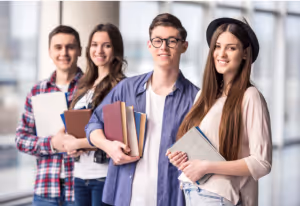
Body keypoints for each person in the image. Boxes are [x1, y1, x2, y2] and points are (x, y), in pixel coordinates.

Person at [84, 13, 199, 206]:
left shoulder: (196, 99)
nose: (163, 47)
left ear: (183, 46)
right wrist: (109, 147)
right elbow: (94, 123)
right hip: (124, 197)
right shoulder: (126, 88)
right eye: (157, 41)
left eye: (171, 41)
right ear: (149, 45)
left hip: (172, 198)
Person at [168, 17, 272, 206]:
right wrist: (184, 159)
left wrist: (206, 167)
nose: (221, 53)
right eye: (217, 46)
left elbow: (262, 163)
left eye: (231, 48)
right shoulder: (204, 95)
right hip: (192, 191)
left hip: (221, 196)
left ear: (244, 54)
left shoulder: (250, 96)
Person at [15, 25, 83, 206]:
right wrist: (52, 143)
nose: (64, 52)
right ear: (49, 52)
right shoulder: (37, 91)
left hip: (81, 189)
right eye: (58, 47)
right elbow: (21, 139)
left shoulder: (92, 89)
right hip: (45, 190)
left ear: (80, 51)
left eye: (70, 46)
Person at [62, 23, 126, 206]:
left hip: (104, 175)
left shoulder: (121, 86)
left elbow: (116, 134)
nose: (99, 50)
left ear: (116, 50)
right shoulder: (83, 85)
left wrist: (79, 142)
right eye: (95, 44)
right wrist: (70, 142)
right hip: (80, 174)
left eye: (106, 45)